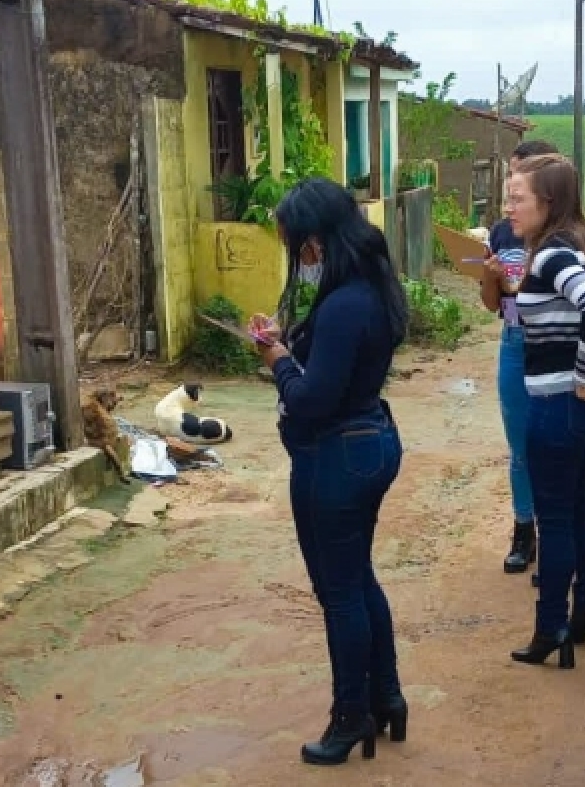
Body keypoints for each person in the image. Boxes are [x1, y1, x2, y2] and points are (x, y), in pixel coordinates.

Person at [249, 178, 408, 766]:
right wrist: (289, 340)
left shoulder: (345, 304)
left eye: (296, 246)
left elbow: (314, 398)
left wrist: (278, 359)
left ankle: (351, 717)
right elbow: (338, 369)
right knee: (358, 580)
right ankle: (385, 698)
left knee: (339, 593)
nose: (298, 259)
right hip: (365, 442)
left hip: (336, 456)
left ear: (316, 242)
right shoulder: (367, 288)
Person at [505, 155, 585, 669]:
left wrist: (581, 375)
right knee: (583, 504)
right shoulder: (580, 242)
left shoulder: (549, 256)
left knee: (555, 519)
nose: (508, 208)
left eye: (518, 199)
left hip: (561, 406)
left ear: (547, 203)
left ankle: (552, 624)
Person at [481, 140, 559, 577]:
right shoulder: (500, 232)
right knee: (520, 445)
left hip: (550, 343)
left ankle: (555, 535)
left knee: (554, 442)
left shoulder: (561, 240)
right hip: (513, 340)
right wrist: (489, 277)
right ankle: (523, 529)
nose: (511, 197)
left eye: (520, 186)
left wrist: (512, 286)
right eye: (509, 185)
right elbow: (494, 305)